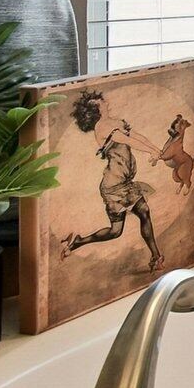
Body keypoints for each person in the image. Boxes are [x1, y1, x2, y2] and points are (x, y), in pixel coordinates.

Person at [61, 89, 169, 272]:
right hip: (113, 186)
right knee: (115, 232)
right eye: (100, 102)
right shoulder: (101, 127)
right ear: (96, 109)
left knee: (144, 211)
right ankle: (78, 241)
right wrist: (151, 152)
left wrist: (157, 150)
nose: (105, 102)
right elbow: (128, 141)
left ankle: (156, 257)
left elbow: (137, 137)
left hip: (125, 182)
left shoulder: (117, 122)